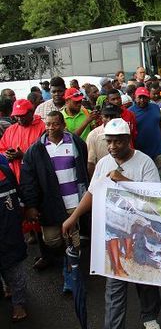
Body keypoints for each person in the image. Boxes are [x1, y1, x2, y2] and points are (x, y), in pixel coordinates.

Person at [62, 118, 161, 329]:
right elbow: (92, 192)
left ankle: (149, 317)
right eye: (109, 141)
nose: (112, 147)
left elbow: (154, 200)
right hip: (113, 233)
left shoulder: (145, 163)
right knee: (115, 284)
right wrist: (74, 217)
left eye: (117, 142)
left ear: (128, 140)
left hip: (139, 235)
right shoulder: (103, 162)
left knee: (143, 278)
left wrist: (123, 180)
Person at [20, 111, 89, 294]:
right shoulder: (36, 149)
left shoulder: (76, 143)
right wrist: (32, 205)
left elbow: (82, 171)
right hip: (50, 204)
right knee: (51, 240)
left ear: (63, 125)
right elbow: (28, 179)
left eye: (55, 124)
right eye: (48, 124)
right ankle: (66, 262)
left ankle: (71, 276)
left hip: (73, 202)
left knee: (72, 240)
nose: (51, 128)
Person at [0, 163, 27, 322]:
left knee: (14, 267)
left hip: (9, 229)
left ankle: (19, 304)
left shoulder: (4, 169)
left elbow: (18, 197)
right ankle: (6, 287)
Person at [0, 99, 46, 181]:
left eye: (22, 115)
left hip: (38, 177)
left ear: (31, 112)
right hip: (16, 177)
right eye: (17, 116)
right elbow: (2, 149)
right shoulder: (10, 130)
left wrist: (24, 156)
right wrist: (7, 155)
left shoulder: (43, 127)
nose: (19, 119)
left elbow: (48, 154)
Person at [129, 87, 161, 182]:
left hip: (158, 151)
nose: (142, 100)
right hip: (141, 152)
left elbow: (160, 126)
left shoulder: (155, 107)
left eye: (145, 97)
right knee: (144, 178)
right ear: (135, 97)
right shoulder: (130, 112)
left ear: (148, 97)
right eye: (140, 97)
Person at [86, 103, 121, 177]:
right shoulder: (94, 135)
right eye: (106, 116)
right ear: (102, 117)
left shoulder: (124, 132)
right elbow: (91, 163)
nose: (109, 120)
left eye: (112, 117)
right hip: (103, 177)